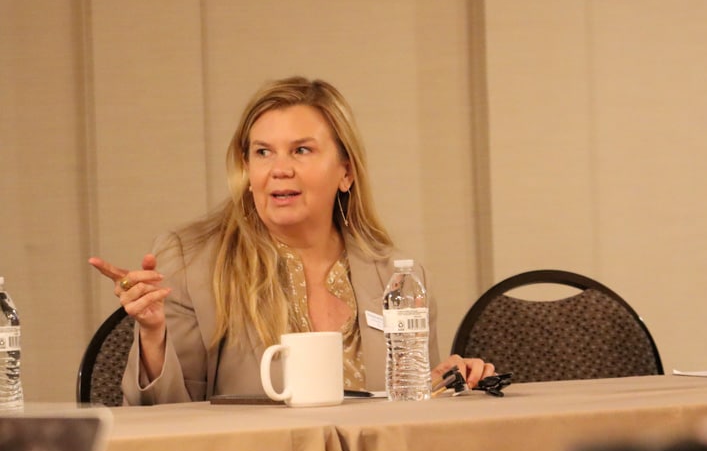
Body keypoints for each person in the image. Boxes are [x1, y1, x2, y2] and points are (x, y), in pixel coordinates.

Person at [90, 76, 494, 404]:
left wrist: (446, 382)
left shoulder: (398, 276)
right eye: (263, 152)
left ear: (346, 172)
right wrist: (153, 335)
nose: (279, 169)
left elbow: (410, 410)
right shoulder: (190, 262)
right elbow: (166, 417)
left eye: (301, 150)